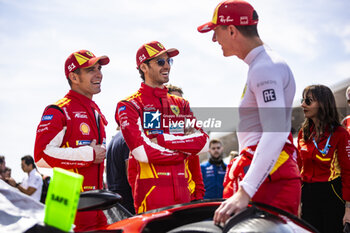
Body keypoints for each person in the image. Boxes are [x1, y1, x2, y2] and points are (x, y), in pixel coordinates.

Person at [198, 0, 301, 225]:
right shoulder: (262, 64)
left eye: (216, 32)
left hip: (269, 182)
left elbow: (275, 131)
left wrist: (245, 191)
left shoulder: (265, 66)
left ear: (232, 30)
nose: (214, 40)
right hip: (267, 176)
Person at [115, 41, 209, 213]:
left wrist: (160, 140)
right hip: (151, 199)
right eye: (160, 62)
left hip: (184, 196)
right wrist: (183, 149)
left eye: (168, 61)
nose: (167, 66)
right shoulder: (130, 105)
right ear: (144, 67)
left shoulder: (181, 104)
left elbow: (203, 143)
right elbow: (142, 152)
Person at [34, 49, 109, 232]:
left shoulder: (95, 111)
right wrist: (89, 154)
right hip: (68, 203)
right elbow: (41, 157)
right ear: (74, 77)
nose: (99, 73)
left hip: (96, 203)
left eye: (99, 68)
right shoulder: (58, 110)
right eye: (91, 69)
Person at [297, 85, 350, 233]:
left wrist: (348, 209)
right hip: (307, 195)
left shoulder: (340, 133)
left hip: (332, 193)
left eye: (308, 101)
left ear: (322, 103)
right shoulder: (303, 134)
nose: (303, 104)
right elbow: (298, 168)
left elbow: (348, 171)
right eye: (303, 100)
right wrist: (298, 202)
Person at [166, 84, 205, 201]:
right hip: (165, 200)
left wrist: (198, 197)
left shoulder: (189, 137)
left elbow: (197, 175)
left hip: (189, 200)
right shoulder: (153, 135)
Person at [106, 129, 135, 214]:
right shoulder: (128, 138)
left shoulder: (115, 138)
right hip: (128, 204)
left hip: (116, 203)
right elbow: (131, 176)